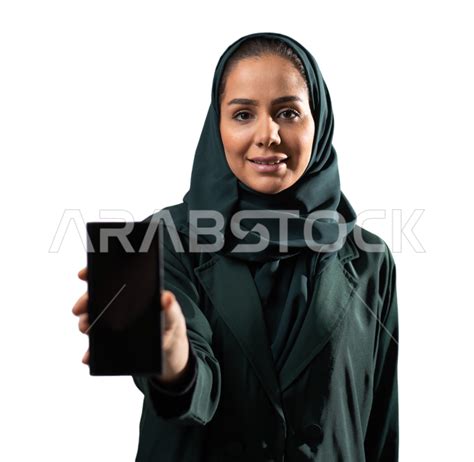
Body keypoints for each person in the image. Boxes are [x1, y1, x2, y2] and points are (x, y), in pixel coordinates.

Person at [72, 31, 399, 461]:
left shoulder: (370, 259)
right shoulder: (165, 239)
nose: (268, 134)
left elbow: (380, 426)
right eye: (243, 115)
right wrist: (174, 358)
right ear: (218, 127)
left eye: (288, 112)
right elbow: (194, 396)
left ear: (318, 123)